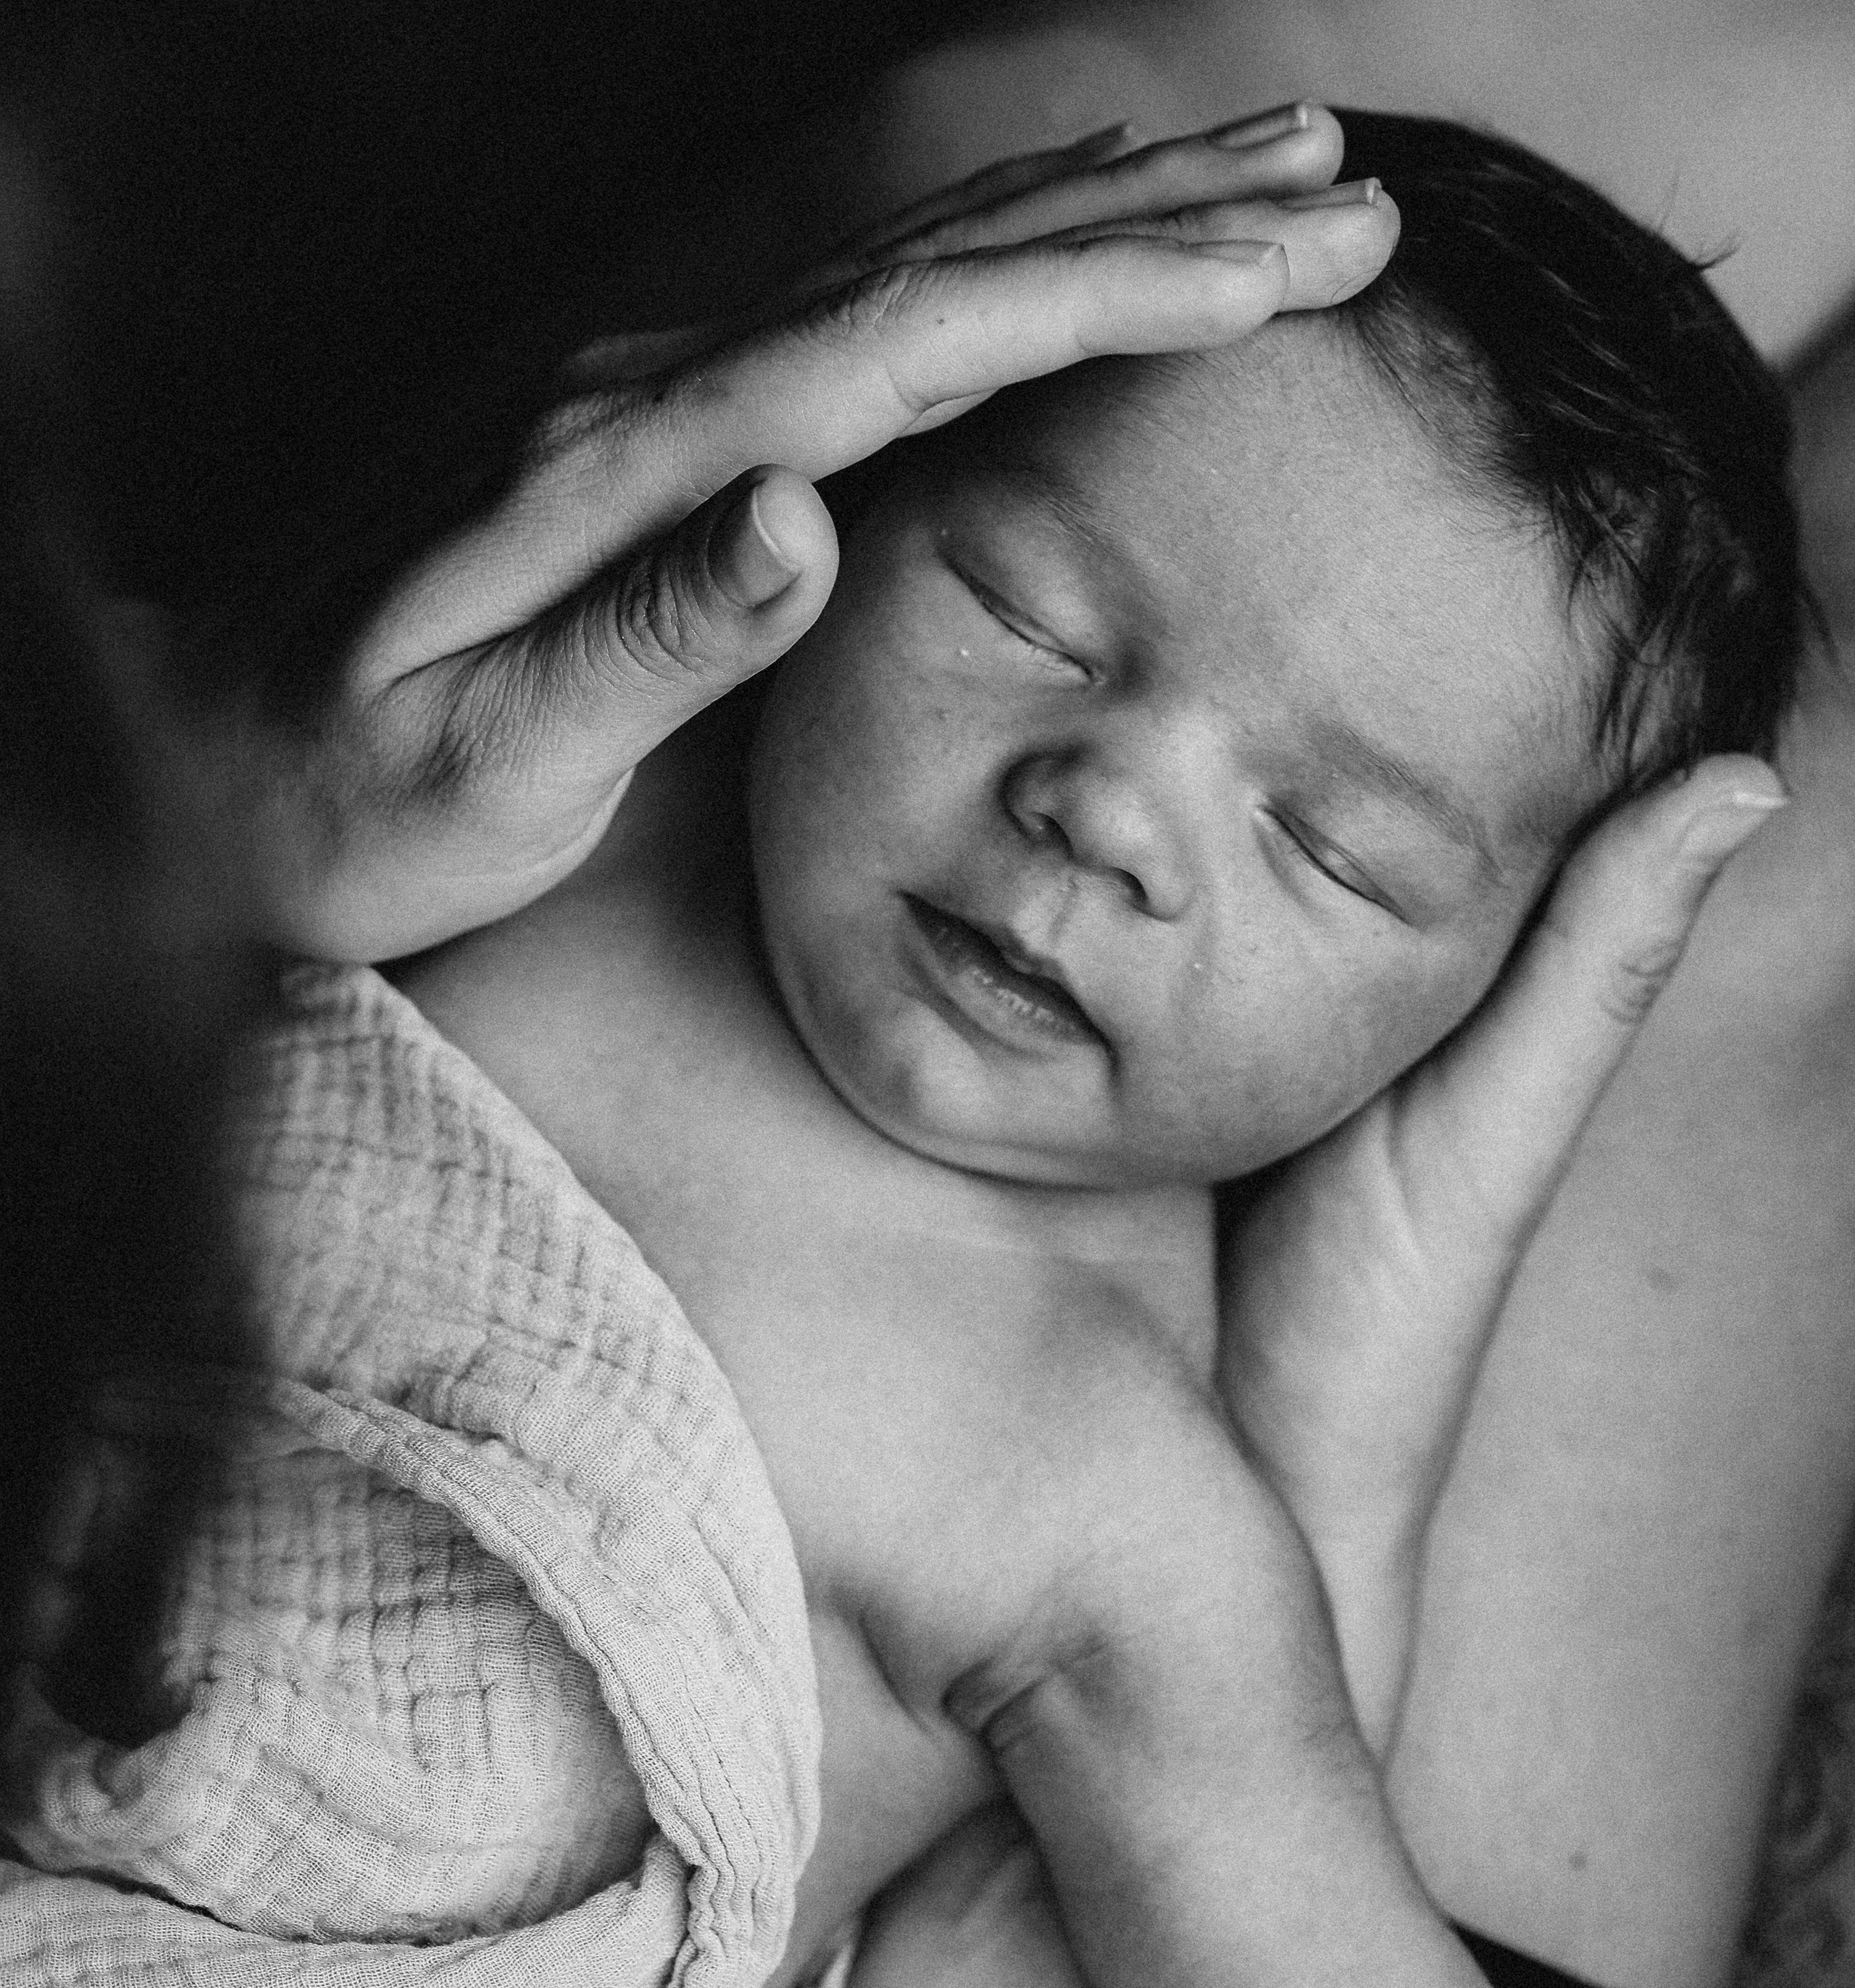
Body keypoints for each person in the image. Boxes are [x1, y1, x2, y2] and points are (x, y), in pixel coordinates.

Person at [0, 119, 1800, 1988]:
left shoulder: (1114, 1491)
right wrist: (214, 788)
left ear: (1493, 994)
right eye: (1031, 615)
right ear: (861, 493)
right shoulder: (537, 792)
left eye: (1333, 851)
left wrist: (1349, 1463)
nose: (1106, 810)